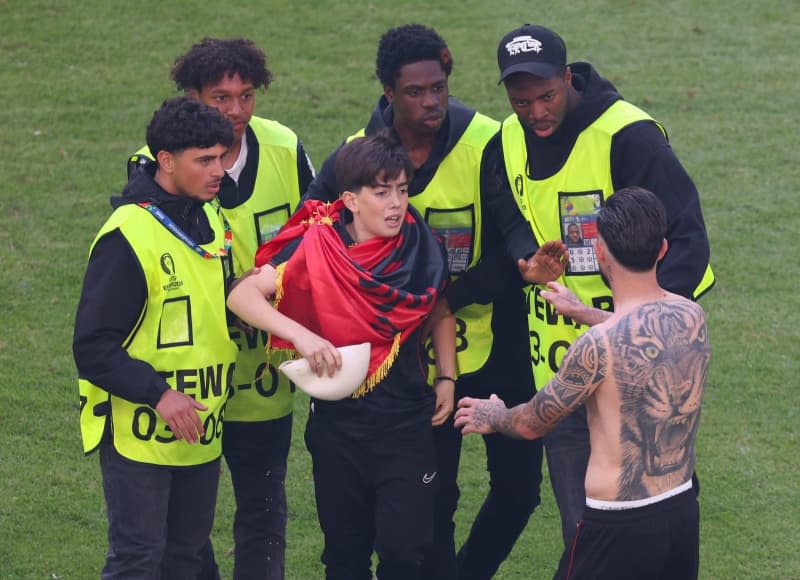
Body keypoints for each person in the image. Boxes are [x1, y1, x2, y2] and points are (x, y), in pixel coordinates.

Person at [303, 23, 566, 580]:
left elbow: (511, 223)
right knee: (433, 505)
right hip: (411, 368)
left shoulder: (487, 138)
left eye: (439, 88)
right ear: (388, 93)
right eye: (416, 91)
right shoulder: (355, 157)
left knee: (520, 492)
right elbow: (308, 234)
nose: (431, 101)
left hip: (500, 344)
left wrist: (523, 264)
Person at [485, 23, 716, 550]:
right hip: (564, 365)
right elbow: (504, 206)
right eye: (522, 102)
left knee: (660, 515)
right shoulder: (506, 137)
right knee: (584, 532)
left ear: (568, 79)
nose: (536, 112)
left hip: (642, 375)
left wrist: (640, 327)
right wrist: (527, 257)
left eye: (546, 96)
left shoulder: (627, 136)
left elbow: (688, 236)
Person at [228, 134, 456, 580]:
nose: (396, 204)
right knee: (344, 558)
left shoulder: (420, 244)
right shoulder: (317, 246)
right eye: (382, 191)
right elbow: (241, 295)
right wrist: (303, 338)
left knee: (405, 550)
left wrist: (446, 376)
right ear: (350, 199)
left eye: (403, 190)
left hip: (407, 425)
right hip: (338, 430)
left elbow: (440, 308)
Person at [128, 37, 315, 579]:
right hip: (188, 384)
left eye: (246, 95)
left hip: (263, 379)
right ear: (192, 97)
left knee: (262, 509)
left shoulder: (283, 147)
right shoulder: (155, 169)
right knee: (186, 527)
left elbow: (317, 232)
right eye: (220, 98)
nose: (235, 110)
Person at [456, 187, 711, 579]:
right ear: (661, 249)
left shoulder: (596, 348)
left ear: (601, 253)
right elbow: (641, 331)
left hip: (617, 529)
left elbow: (530, 422)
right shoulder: (691, 317)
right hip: (679, 509)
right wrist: (583, 312)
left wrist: (495, 414)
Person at [73, 96, 237, 577]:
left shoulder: (209, 216)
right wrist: (160, 395)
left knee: (186, 558)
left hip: (200, 428)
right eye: (204, 160)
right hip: (140, 433)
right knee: (138, 560)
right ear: (166, 161)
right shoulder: (128, 235)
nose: (219, 171)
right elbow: (92, 347)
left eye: (221, 158)